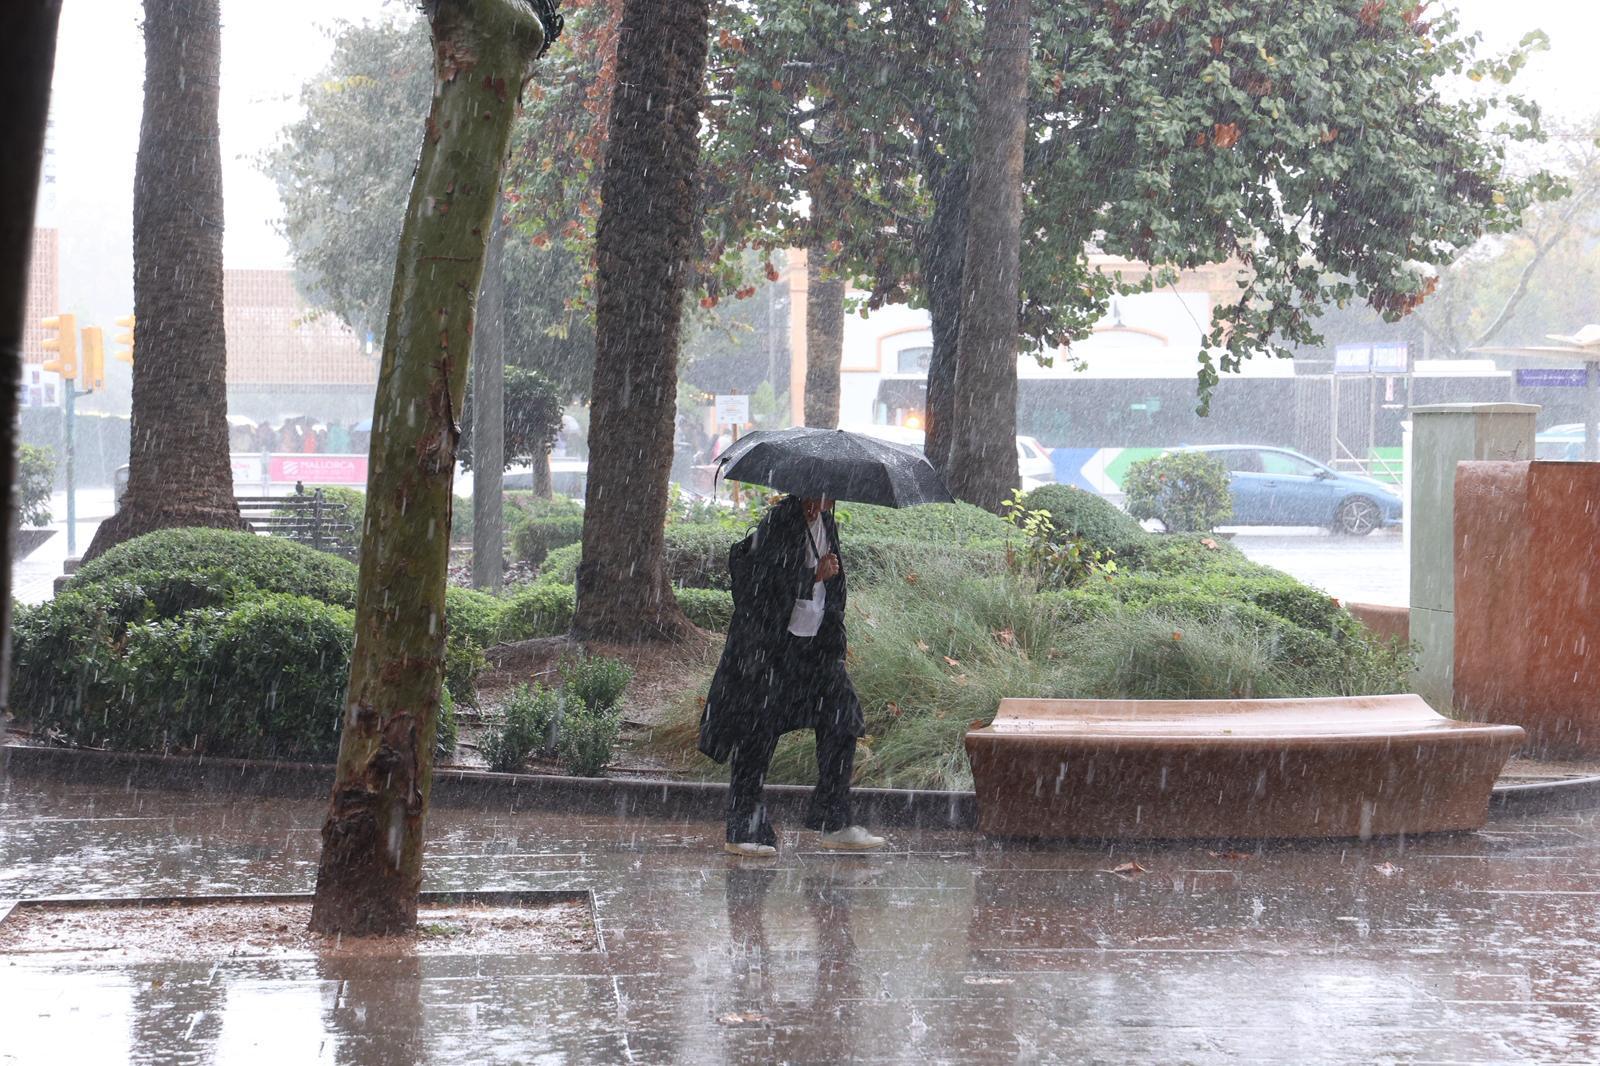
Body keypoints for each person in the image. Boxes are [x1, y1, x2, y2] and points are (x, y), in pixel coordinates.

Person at [699, 494, 886, 857]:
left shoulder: (827, 524)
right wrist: (811, 575)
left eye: (830, 496)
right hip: (770, 652)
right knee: (757, 735)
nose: (824, 502)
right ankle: (743, 829)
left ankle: (834, 818)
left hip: (814, 651)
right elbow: (761, 589)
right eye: (819, 494)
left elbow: (835, 590)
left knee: (842, 719)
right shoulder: (777, 523)